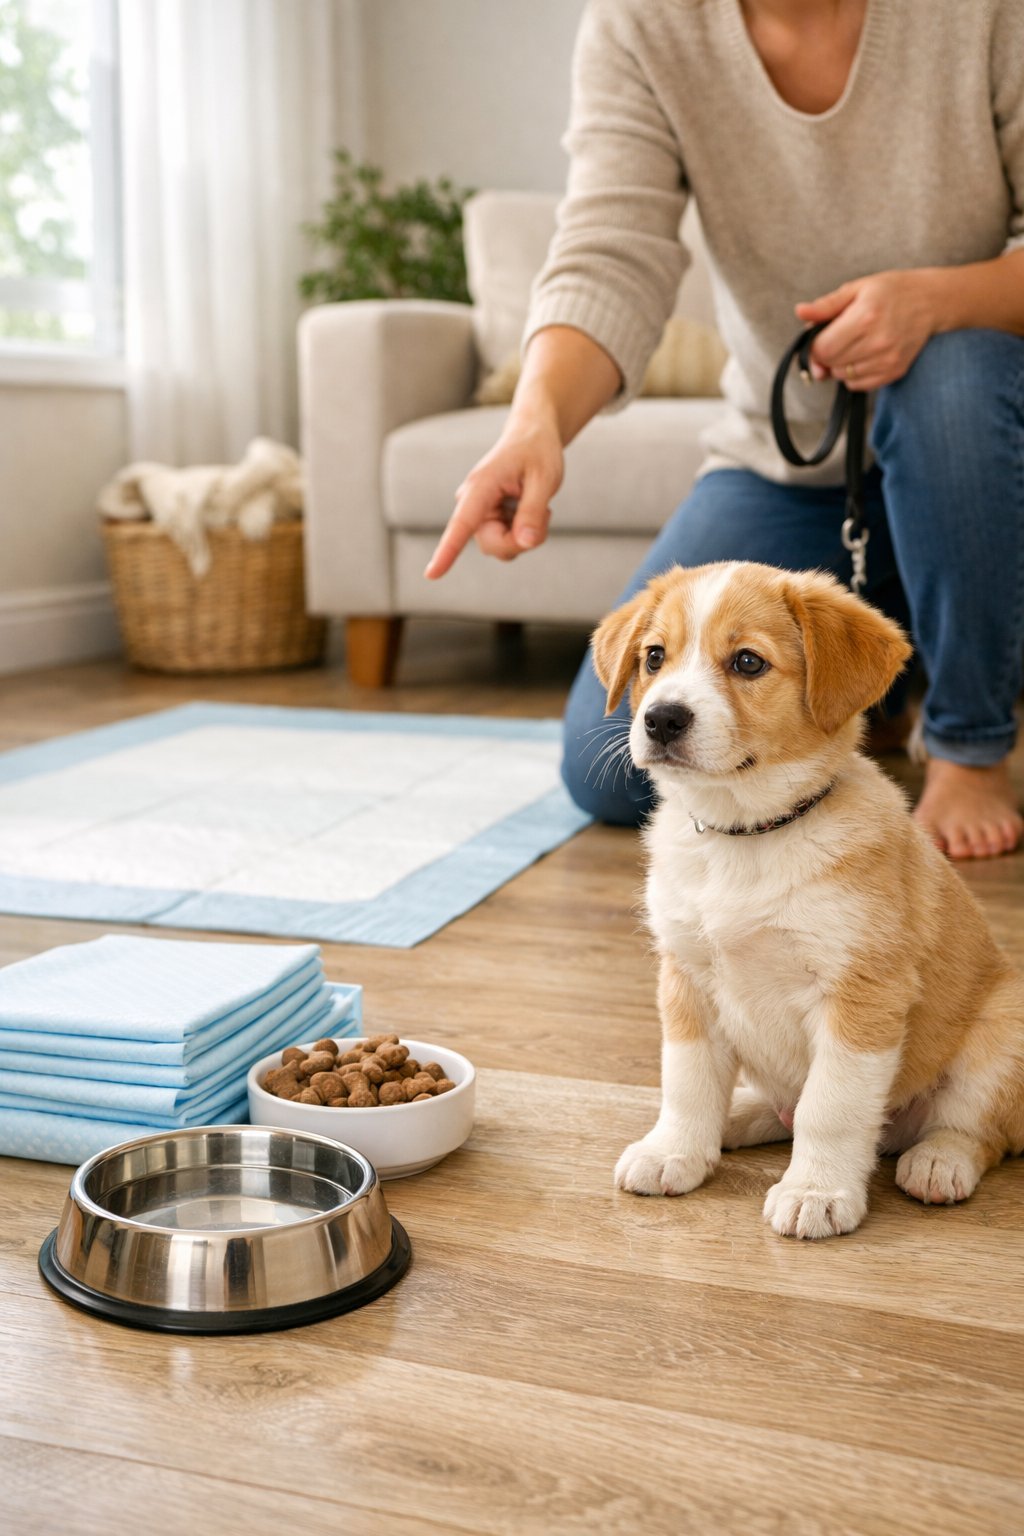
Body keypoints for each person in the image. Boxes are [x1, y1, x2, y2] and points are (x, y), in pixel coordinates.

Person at [425, 0, 1024, 860]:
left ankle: (969, 744)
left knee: (951, 372)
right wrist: (537, 422)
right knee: (611, 776)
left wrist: (939, 302)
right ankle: (867, 688)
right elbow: (610, 250)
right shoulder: (642, 23)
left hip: (984, 447)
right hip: (789, 467)